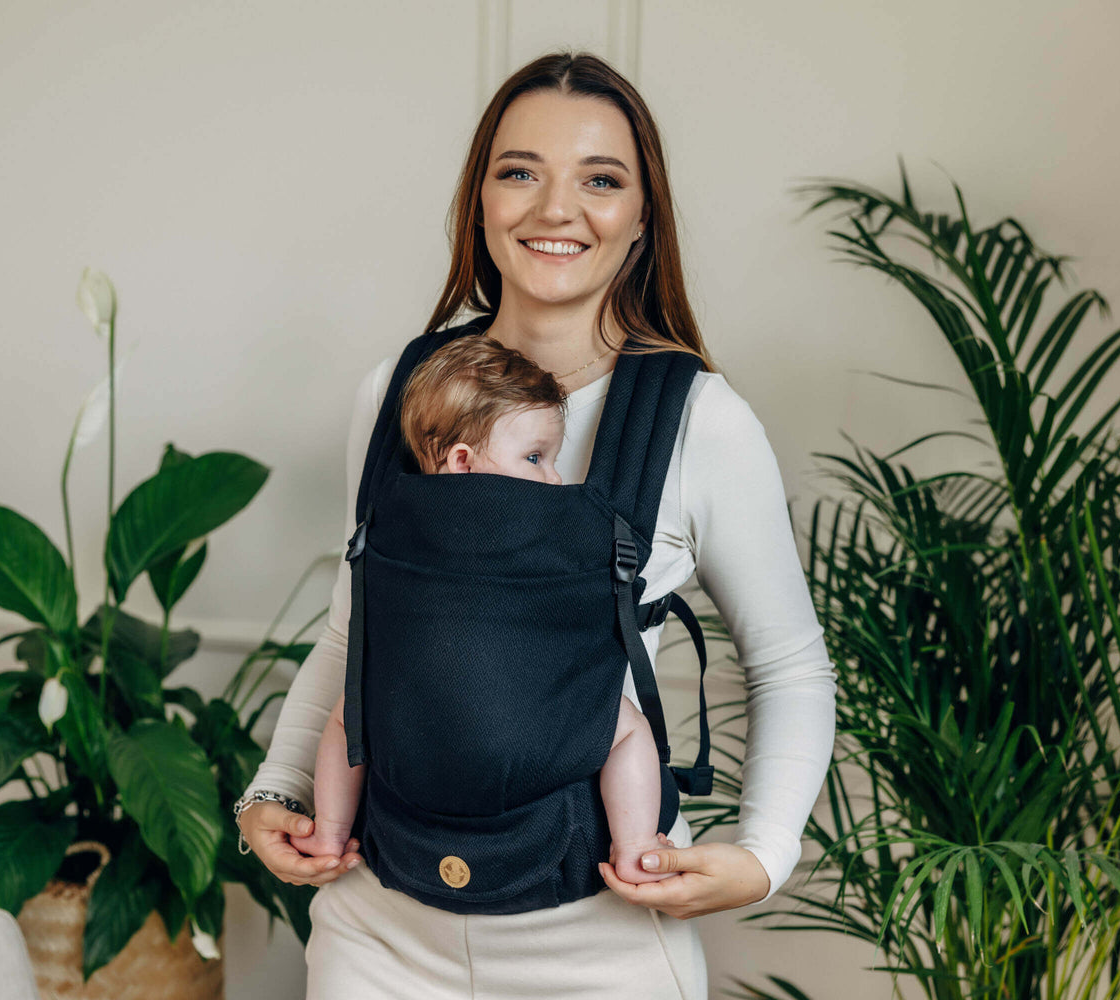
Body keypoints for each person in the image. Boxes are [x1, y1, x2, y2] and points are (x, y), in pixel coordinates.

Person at [236, 50, 837, 999]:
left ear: (642, 219)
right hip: (376, 932)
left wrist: (765, 853)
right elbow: (356, 634)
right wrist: (275, 790)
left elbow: (789, 663)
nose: (557, 210)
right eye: (520, 172)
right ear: (479, 201)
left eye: (601, 181)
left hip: (599, 943)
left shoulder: (698, 420)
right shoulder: (399, 391)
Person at [286, 334, 679, 886]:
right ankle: (636, 848)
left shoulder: (397, 515)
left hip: (409, 719)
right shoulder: (553, 523)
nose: (555, 479)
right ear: (463, 462)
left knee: (347, 717)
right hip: (537, 726)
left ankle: (329, 833)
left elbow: (349, 639)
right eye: (536, 458)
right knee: (628, 728)